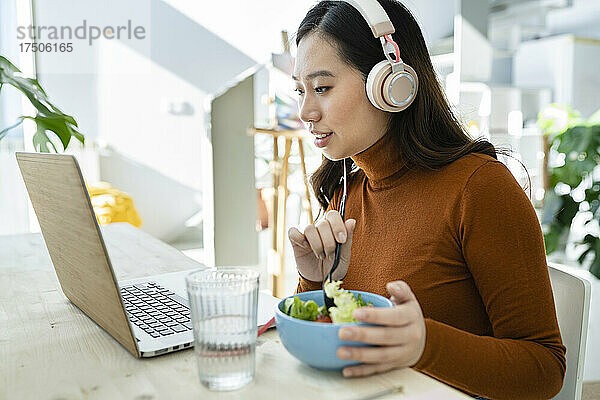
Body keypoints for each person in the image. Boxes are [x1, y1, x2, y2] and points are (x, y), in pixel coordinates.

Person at [287, 0, 566, 398]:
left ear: (390, 83)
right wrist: (315, 282)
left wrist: (425, 345)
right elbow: (342, 344)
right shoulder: (346, 188)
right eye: (300, 90)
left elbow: (544, 369)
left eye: (322, 88)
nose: (306, 111)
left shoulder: (479, 188)